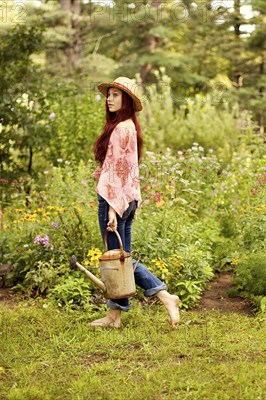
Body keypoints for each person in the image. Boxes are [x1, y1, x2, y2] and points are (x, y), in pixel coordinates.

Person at [90, 76, 180, 329]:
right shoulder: (129, 127)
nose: (109, 98)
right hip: (128, 199)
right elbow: (129, 169)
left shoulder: (121, 129)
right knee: (122, 260)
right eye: (109, 94)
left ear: (127, 100)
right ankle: (115, 316)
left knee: (117, 260)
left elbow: (117, 171)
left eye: (116, 95)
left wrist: (110, 207)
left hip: (115, 201)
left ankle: (163, 296)